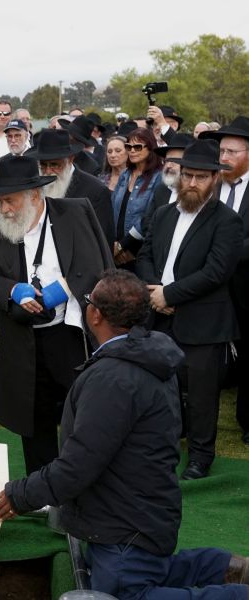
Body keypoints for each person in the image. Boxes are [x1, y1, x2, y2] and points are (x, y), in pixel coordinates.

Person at [0, 269, 249, 600]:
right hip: (138, 512)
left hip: (125, 524)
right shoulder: (145, 354)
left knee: (129, 595)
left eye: (88, 301)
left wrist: (21, 495)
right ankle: (225, 568)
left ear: (95, 314)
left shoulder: (115, 378)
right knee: (148, 571)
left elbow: (78, 465)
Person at [0, 156, 112, 474]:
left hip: (70, 334)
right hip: (24, 339)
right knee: (33, 417)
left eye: (9, 200)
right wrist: (13, 290)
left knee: (82, 413)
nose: (4, 209)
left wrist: (60, 290)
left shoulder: (75, 212)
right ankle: (42, 490)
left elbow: (97, 266)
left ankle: (82, 483)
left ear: (35, 195)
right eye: (0, 201)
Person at [135, 139, 242, 480]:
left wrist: (170, 295)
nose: (192, 183)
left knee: (200, 395)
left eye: (200, 177)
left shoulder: (227, 221)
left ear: (215, 178)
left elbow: (216, 271)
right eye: (187, 176)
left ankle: (200, 456)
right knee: (156, 387)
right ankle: (156, 444)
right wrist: (155, 293)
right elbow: (145, 255)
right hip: (158, 313)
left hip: (203, 321)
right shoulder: (164, 213)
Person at [201, 116, 249, 446]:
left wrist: (223, 254)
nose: (224, 157)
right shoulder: (209, 184)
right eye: (222, 150)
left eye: (232, 151)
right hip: (209, 286)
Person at [31, 129, 115, 250]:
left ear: (70, 159)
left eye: (54, 165)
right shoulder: (35, 185)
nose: (48, 171)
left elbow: (103, 242)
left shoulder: (96, 191)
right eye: (43, 165)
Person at [110, 127, 162, 267]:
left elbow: (149, 217)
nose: (132, 150)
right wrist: (114, 246)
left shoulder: (158, 177)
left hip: (140, 251)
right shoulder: (125, 174)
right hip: (116, 249)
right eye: (128, 146)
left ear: (150, 148)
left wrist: (123, 246)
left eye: (138, 147)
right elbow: (112, 209)